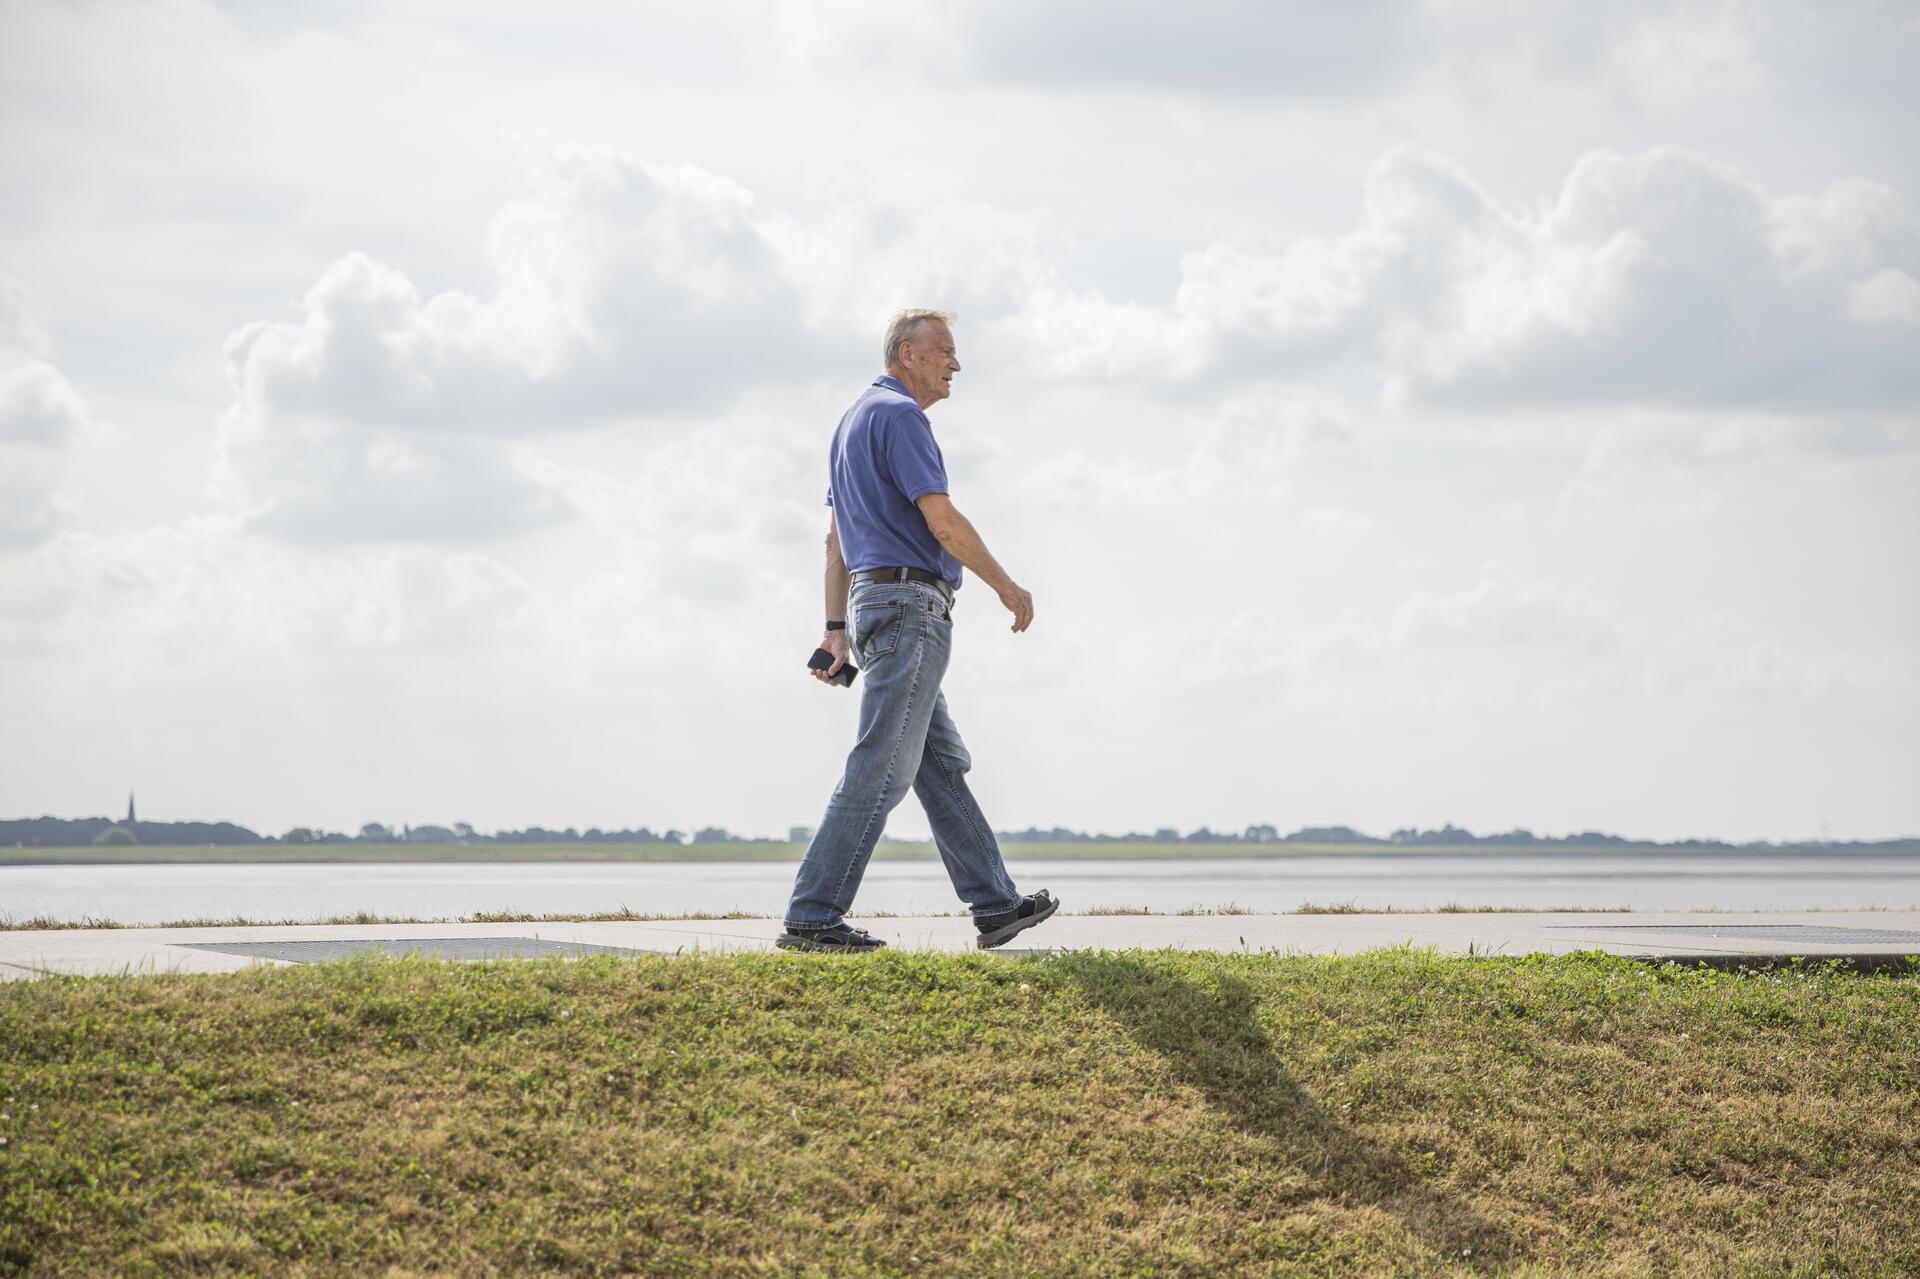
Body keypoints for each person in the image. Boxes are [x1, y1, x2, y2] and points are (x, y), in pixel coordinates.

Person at [779, 309, 1058, 952]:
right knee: (881, 767)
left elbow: (835, 542)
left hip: (875, 604)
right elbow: (943, 523)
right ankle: (813, 915)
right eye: (945, 352)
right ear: (907, 354)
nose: (955, 364)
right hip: (909, 606)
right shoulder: (902, 417)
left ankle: (994, 904)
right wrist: (1007, 587)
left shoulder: (851, 421)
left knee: (937, 766)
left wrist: (834, 628)